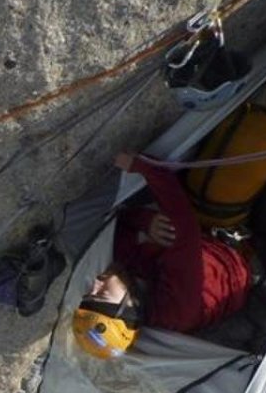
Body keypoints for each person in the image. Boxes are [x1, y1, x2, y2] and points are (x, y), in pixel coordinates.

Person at [73, 151, 253, 360]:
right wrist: (145, 167)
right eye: (101, 294)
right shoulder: (177, 308)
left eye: (89, 293)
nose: (95, 283)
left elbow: (119, 226)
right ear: (129, 309)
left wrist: (145, 221)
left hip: (191, 251)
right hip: (231, 257)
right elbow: (185, 228)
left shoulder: (128, 280)